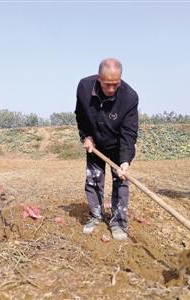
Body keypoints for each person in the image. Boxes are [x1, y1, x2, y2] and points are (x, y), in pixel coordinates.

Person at [74, 58, 139, 240]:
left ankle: (118, 222)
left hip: (118, 145)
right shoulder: (84, 87)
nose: (111, 89)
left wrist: (125, 160)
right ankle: (96, 215)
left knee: (121, 181)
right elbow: (80, 114)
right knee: (93, 180)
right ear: (98, 78)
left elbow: (129, 132)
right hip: (95, 143)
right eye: (107, 84)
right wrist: (86, 135)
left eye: (115, 84)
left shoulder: (129, 97)